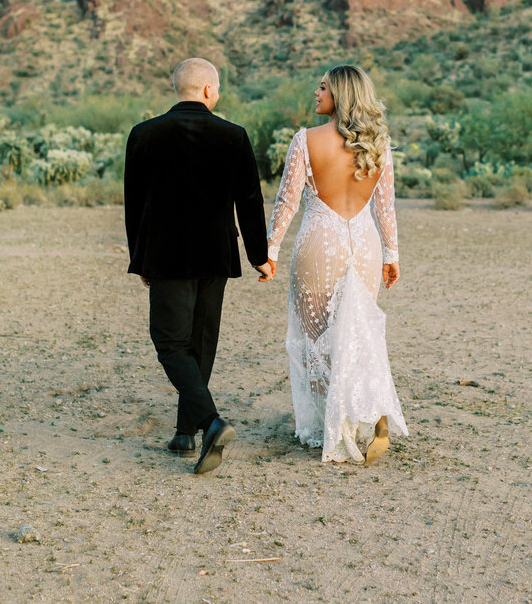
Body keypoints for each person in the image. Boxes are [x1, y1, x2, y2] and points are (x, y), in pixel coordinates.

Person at [124, 57, 272, 475]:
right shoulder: (234, 135)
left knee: (170, 342)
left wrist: (140, 258)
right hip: (215, 254)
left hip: (167, 255)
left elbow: (134, 204)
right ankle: (186, 432)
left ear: (179, 88)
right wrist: (259, 257)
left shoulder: (144, 134)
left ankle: (208, 424)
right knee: (200, 341)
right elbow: (249, 201)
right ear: (209, 90)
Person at [266, 64, 408, 464]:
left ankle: (336, 427)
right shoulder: (378, 143)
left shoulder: (305, 140)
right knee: (358, 331)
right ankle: (367, 414)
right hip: (365, 245)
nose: (316, 92)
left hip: (319, 243)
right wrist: (392, 255)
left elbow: (287, 202)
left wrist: (270, 251)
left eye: (323, 87)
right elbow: (385, 207)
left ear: (340, 95)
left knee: (317, 342)